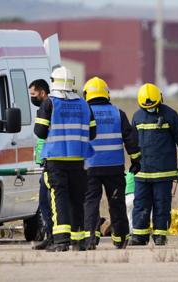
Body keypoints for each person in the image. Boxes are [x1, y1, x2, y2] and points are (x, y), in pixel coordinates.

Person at [34, 66, 96, 252]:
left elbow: (40, 132)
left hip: (56, 160)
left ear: (54, 82)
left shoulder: (49, 103)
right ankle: (80, 241)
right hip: (78, 161)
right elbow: (92, 133)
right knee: (78, 200)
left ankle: (61, 241)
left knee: (58, 198)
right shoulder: (84, 104)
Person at [83, 76, 140, 250]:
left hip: (89, 168)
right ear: (106, 94)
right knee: (116, 203)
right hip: (114, 168)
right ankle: (121, 238)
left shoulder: (85, 113)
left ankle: (90, 239)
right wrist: (136, 160)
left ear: (87, 94)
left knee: (90, 202)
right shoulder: (118, 113)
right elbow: (130, 139)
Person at [131, 83, 178, 246]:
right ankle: (139, 235)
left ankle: (160, 235)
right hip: (143, 173)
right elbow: (132, 142)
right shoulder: (137, 117)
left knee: (161, 205)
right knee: (140, 205)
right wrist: (134, 161)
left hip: (163, 173)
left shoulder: (170, 115)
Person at [29, 79, 52, 250]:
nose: (32, 98)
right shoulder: (46, 108)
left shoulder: (48, 107)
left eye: (33, 94)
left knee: (46, 201)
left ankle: (52, 236)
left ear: (42, 93)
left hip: (52, 162)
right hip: (48, 161)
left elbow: (42, 134)